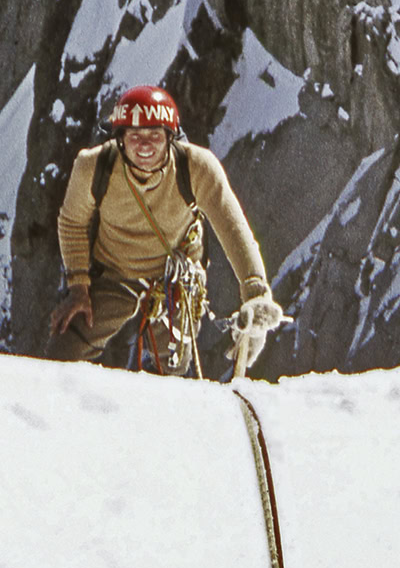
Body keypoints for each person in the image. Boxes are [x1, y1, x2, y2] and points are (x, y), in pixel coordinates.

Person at [49, 84, 285, 376]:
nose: (145, 145)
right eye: (135, 136)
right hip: (113, 272)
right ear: (120, 138)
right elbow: (72, 222)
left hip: (174, 279)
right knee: (63, 355)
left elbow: (233, 227)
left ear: (170, 137)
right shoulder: (93, 166)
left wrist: (256, 295)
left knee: (170, 370)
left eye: (155, 136)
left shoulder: (196, 167)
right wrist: (78, 287)